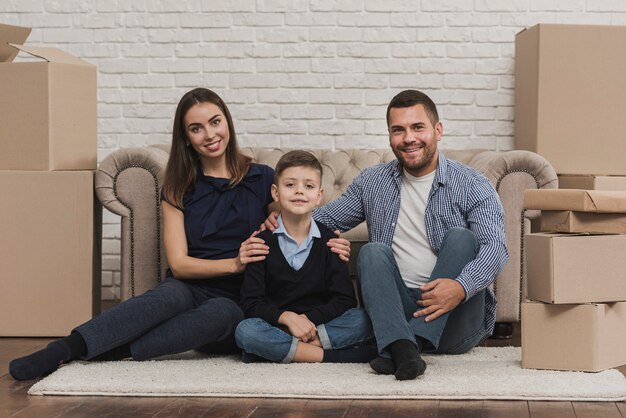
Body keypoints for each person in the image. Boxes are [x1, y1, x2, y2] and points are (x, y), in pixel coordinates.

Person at [8, 88, 351, 381]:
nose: (210, 134)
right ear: (186, 137)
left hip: (241, 297)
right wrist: (233, 263)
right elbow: (180, 264)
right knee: (166, 297)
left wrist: (332, 238)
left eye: (215, 122)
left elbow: (297, 219)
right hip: (193, 282)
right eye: (197, 128)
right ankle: (65, 348)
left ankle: (116, 351)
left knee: (224, 314)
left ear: (227, 122)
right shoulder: (178, 187)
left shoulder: (262, 178)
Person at [266, 90, 508, 380]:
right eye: (398, 130)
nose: (409, 138)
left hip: (456, 317)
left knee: (462, 238)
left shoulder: (472, 184)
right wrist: (281, 216)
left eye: (418, 127)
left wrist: (460, 287)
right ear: (390, 135)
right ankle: (404, 346)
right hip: (396, 312)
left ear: (438, 130)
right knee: (371, 251)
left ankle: (402, 346)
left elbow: (495, 248)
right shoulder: (373, 182)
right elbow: (322, 218)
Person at [235, 151, 376, 364]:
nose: (299, 191)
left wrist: (306, 321)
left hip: (320, 325)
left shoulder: (331, 242)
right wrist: (288, 318)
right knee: (245, 330)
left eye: (308, 186)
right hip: (279, 325)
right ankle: (330, 356)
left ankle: (281, 350)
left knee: (365, 319)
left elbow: (345, 300)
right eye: (290, 185)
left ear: (319, 196)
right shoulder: (261, 242)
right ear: (275, 192)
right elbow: (251, 303)